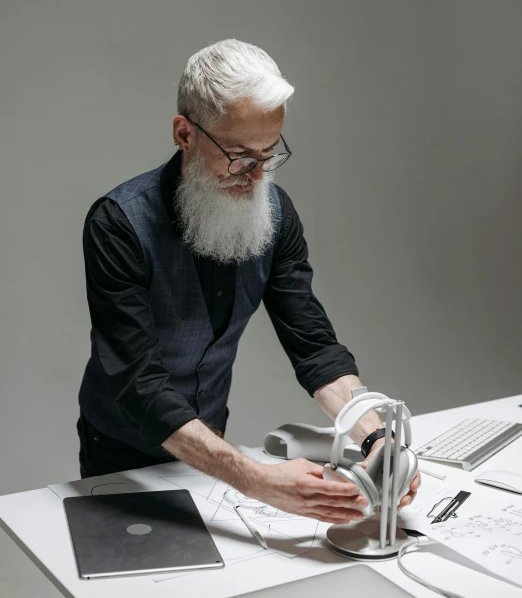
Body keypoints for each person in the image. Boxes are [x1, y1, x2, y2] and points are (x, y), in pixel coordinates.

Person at [77, 38, 420, 524]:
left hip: (211, 441)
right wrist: (258, 479)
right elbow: (139, 386)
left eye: (269, 153)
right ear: (184, 134)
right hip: (120, 448)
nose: (258, 175)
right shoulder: (117, 224)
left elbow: (314, 346)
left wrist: (377, 435)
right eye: (239, 156)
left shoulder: (277, 216)